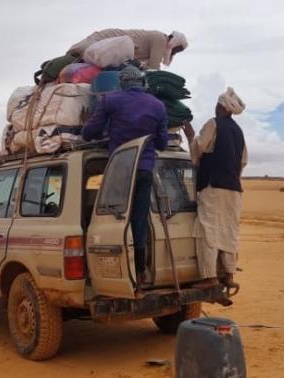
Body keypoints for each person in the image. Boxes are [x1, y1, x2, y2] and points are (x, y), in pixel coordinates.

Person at [82, 65, 168, 292]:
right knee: (138, 220)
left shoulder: (111, 100)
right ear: (141, 82)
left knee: (114, 220)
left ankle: (117, 273)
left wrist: (98, 133)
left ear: (121, 82)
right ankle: (140, 270)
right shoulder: (158, 105)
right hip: (145, 170)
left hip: (120, 170)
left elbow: (90, 131)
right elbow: (162, 143)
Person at [183, 87, 247, 293]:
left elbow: (199, 149)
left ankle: (209, 277)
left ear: (220, 106)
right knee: (228, 230)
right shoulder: (238, 131)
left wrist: (191, 136)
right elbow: (243, 160)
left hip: (213, 187)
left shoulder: (213, 124)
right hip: (234, 190)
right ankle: (228, 274)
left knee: (207, 229)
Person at [68, 29, 188, 70]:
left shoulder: (157, 41)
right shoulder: (160, 39)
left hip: (101, 50)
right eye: (176, 50)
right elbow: (154, 69)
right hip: (99, 44)